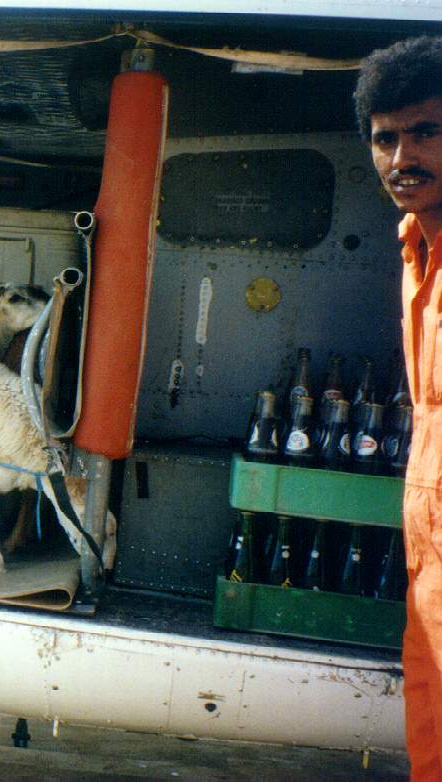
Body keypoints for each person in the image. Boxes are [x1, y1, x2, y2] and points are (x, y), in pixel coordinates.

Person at [355, 35, 442, 779]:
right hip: (428, 550)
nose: (402, 157)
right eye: (386, 139)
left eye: (426, 132)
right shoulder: (414, 249)